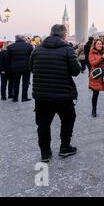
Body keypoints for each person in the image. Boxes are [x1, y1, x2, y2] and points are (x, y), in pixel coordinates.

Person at [30, 24, 81, 162]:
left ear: (50, 33)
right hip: (63, 94)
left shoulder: (37, 50)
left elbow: (32, 68)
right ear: (64, 35)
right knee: (68, 120)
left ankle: (45, 153)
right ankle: (65, 147)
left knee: (43, 124)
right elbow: (76, 71)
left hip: (42, 95)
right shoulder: (68, 50)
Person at [7, 35, 34, 102]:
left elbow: (8, 59)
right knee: (25, 83)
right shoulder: (29, 46)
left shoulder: (10, 47)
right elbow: (32, 57)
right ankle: (24, 97)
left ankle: (15, 98)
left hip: (15, 68)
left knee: (16, 83)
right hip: (26, 67)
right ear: (23, 39)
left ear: (16, 39)